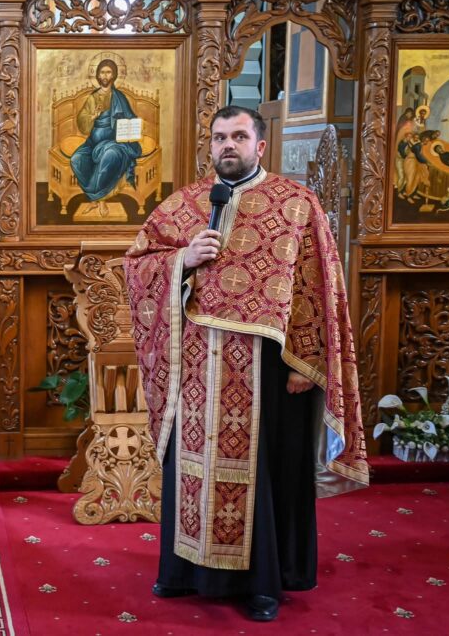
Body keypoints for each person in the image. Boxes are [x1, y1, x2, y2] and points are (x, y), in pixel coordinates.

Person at [124, 106, 369, 621]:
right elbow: (137, 263)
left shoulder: (296, 204)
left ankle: (264, 583)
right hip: (197, 368)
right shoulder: (184, 204)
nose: (227, 146)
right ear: (211, 146)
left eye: (238, 136)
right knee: (192, 469)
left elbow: (318, 288)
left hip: (268, 370)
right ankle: (184, 571)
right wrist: (182, 259)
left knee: (266, 473)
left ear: (260, 145)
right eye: (219, 138)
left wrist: (309, 362)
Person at [69, 58, 143, 206]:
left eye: (108, 72)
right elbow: (82, 122)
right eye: (102, 72)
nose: (105, 76)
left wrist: (137, 126)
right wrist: (92, 117)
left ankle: (98, 198)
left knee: (108, 156)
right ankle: (94, 195)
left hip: (115, 142)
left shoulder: (120, 97)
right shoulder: (93, 97)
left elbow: (130, 118)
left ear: (114, 75)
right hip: (93, 143)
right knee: (76, 159)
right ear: (97, 75)